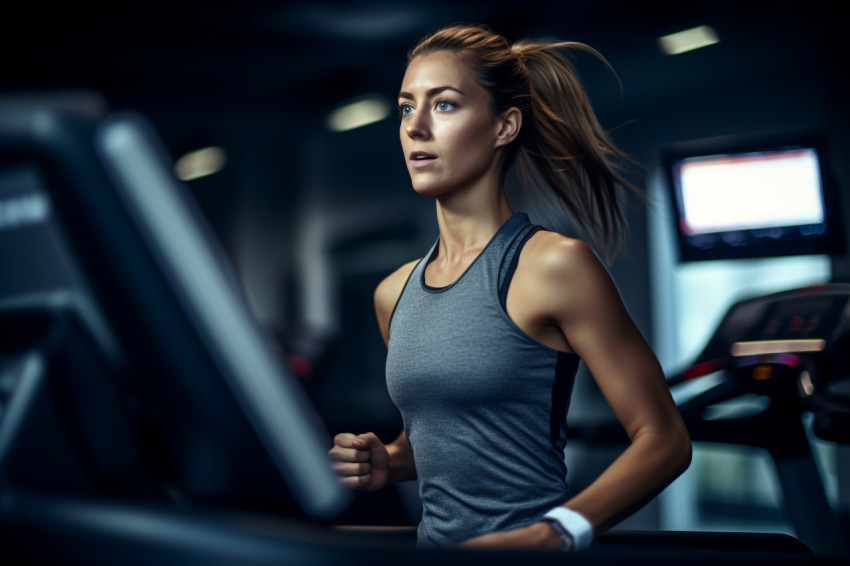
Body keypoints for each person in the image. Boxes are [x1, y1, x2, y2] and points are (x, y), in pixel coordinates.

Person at [328, 23, 691, 551]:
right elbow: (442, 438)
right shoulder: (394, 293)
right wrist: (388, 459)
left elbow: (665, 441)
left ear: (504, 126)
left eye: (444, 105)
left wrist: (553, 535)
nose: (416, 127)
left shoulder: (553, 266)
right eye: (407, 107)